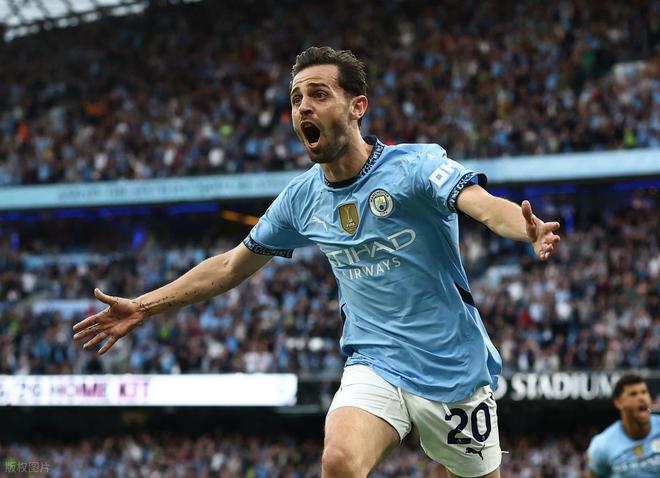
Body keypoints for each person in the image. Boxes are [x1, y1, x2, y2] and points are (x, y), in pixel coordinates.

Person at [73, 46, 561, 478]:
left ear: (357, 107)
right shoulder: (301, 199)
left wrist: (528, 230)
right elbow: (229, 267)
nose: (303, 106)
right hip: (375, 360)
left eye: (319, 94)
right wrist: (144, 306)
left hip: (452, 366)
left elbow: (483, 206)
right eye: (296, 99)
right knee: (339, 460)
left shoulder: (415, 167)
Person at [586, 374, 660, 477]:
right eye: (633, 394)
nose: (642, 398)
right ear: (619, 403)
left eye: (644, 392)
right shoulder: (602, 445)